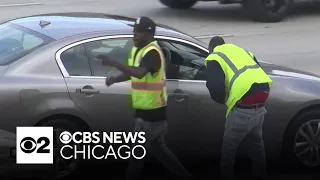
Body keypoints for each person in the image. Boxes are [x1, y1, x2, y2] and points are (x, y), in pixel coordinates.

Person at [95, 16, 192, 180]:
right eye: (134, 31)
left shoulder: (153, 52)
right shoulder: (138, 50)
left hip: (153, 114)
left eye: (139, 32)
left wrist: (114, 64)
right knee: (159, 151)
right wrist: (115, 79)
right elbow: (133, 73)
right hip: (144, 111)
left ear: (149, 33)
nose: (135, 35)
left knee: (137, 153)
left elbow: (140, 72)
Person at [204, 36, 273, 180]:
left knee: (229, 150)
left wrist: (226, 101)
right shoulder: (242, 51)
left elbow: (215, 88)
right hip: (262, 97)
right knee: (256, 145)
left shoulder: (215, 57)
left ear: (210, 49)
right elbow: (256, 72)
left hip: (243, 104)